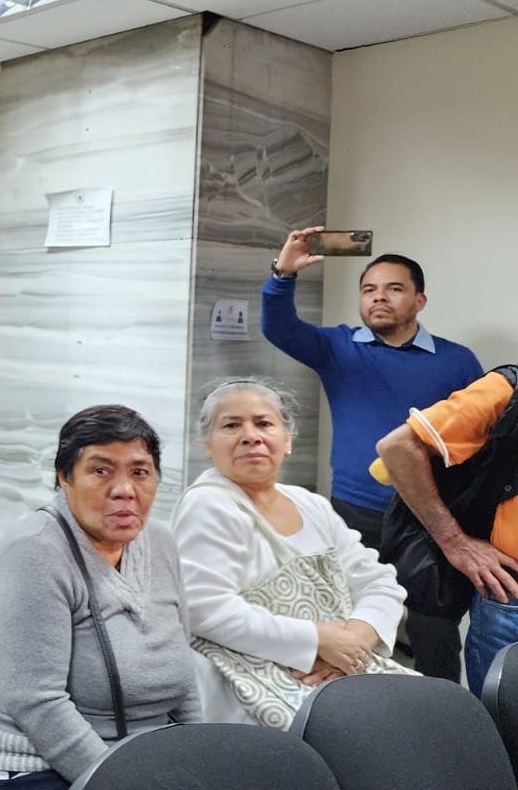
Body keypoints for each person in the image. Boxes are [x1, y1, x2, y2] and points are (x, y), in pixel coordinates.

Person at [263, 227, 482, 680]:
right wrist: (283, 273)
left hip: (427, 516)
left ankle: (441, 715)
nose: (379, 298)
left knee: (433, 626)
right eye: (369, 289)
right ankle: (356, 709)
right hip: (353, 513)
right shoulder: (338, 347)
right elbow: (278, 326)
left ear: (419, 300)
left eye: (394, 289)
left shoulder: (457, 360)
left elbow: (476, 438)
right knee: (348, 619)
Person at [0, 405, 200, 789]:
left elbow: (184, 674)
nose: (125, 490)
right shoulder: (34, 553)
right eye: (100, 471)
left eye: (140, 472)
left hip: (140, 757)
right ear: (64, 478)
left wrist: (204, 754)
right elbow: (38, 703)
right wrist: (118, 781)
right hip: (30, 759)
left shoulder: (161, 543)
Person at [172, 378, 406, 726]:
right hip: (255, 680)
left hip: (343, 667)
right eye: (232, 425)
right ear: (207, 444)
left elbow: (380, 583)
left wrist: (350, 643)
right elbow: (205, 608)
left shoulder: (310, 504)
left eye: (264, 423)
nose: (251, 436)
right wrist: (315, 641)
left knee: (429, 719)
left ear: (288, 440)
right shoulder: (209, 503)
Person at [375, 366, 518, 693]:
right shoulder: (505, 389)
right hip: (510, 598)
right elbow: (397, 448)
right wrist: (455, 542)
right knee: (502, 730)